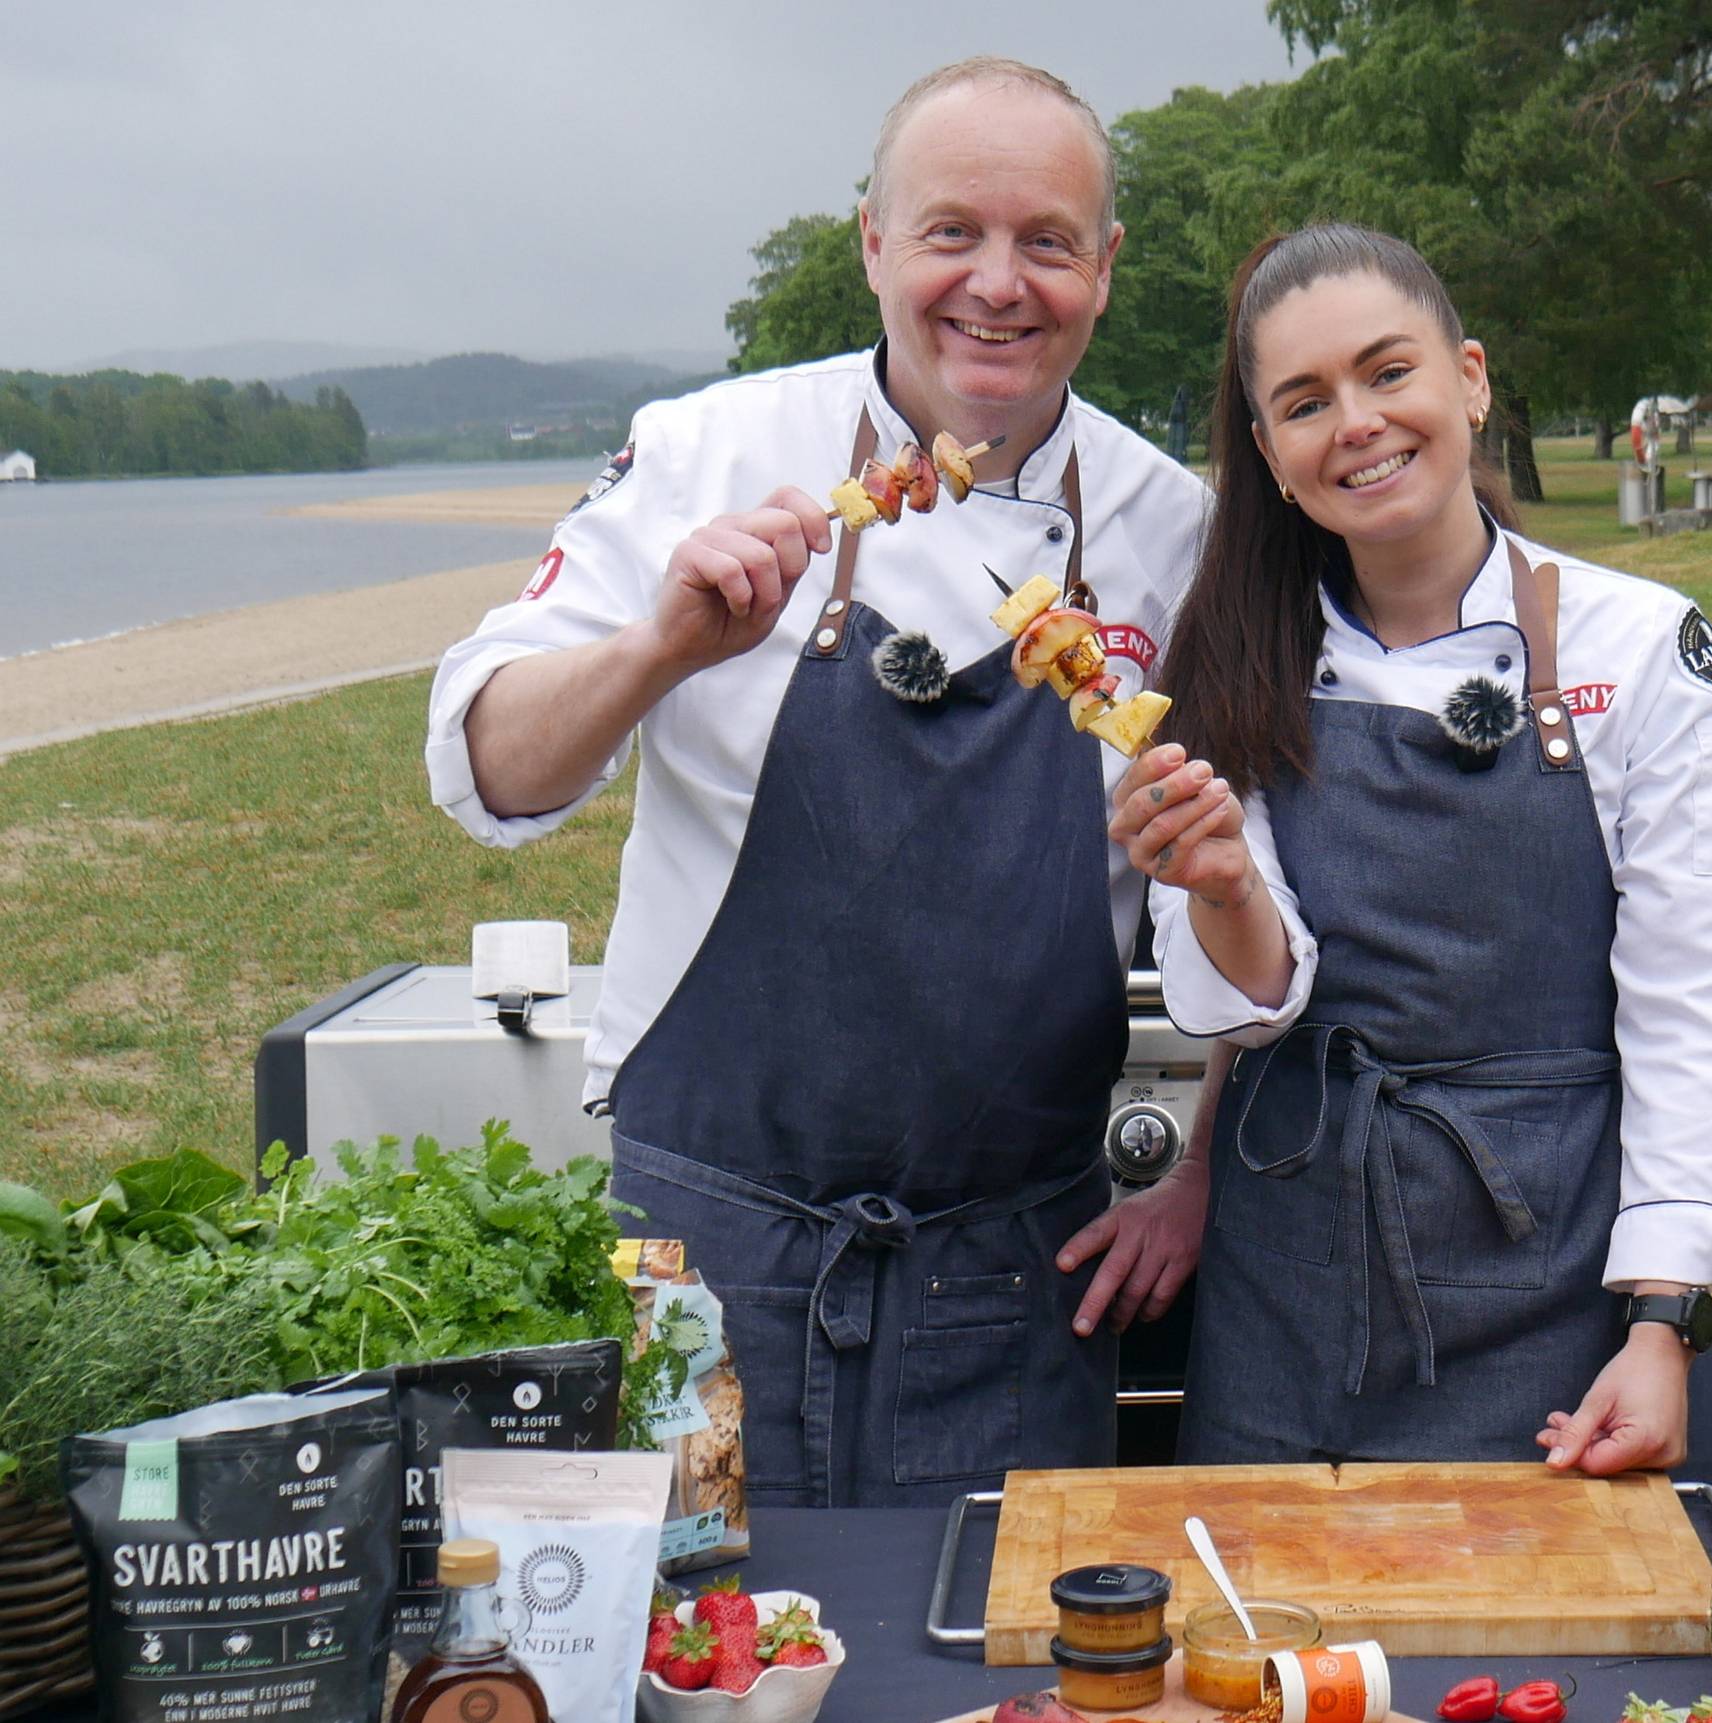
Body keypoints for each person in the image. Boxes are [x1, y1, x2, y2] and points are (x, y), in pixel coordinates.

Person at [425, 58, 1219, 1507]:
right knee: (706, 1652)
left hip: (1018, 1262)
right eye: (949, 233)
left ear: (1104, 271)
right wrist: (662, 642)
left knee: (997, 1660)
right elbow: (491, 763)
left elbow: (1274, 878)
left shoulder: (1179, 532)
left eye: (1046, 240)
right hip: (708, 1244)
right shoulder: (702, 454)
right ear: (871, 242)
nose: (997, 283)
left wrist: (1205, 1161)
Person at [1109, 225, 1712, 1482]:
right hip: (1288, 1290)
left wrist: (1659, 1319)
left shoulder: (1640, 652)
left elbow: (1695, 1006)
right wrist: (1223, 887)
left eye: (1387, 372)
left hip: (1559, 1273)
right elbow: (1248, 1005)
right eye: (1304, 403)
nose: (1353, 422)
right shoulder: (1236, 661)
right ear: (1270, 457)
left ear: (1468, 379)